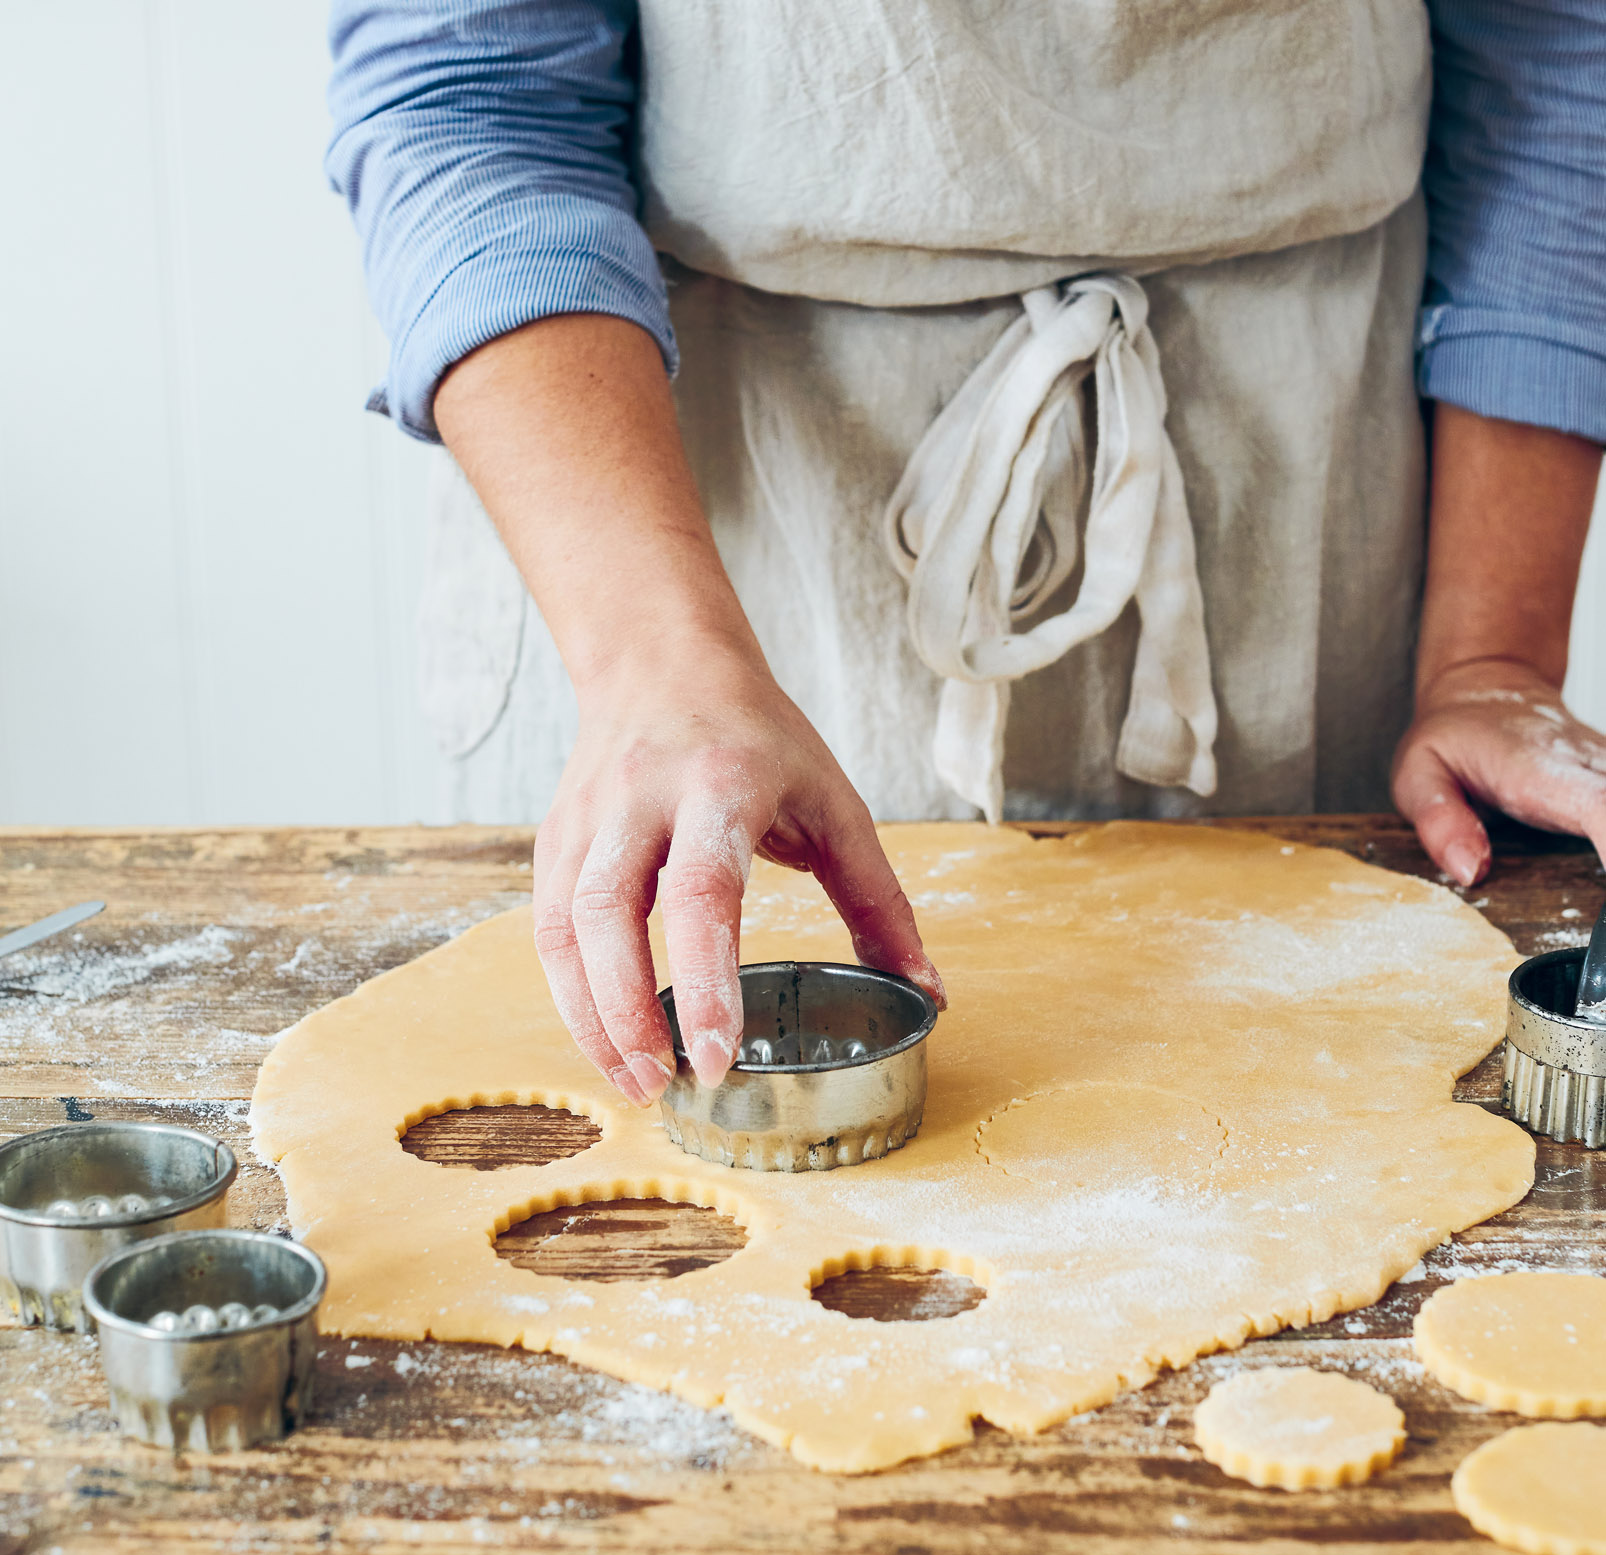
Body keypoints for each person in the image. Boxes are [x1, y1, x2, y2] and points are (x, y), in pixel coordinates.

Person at [328, 0, 1605, 1107]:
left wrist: (1489, 651)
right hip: (681, 497)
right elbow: (474, 93)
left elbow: (1558, 49)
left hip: (1289, 485)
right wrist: (656, 659)